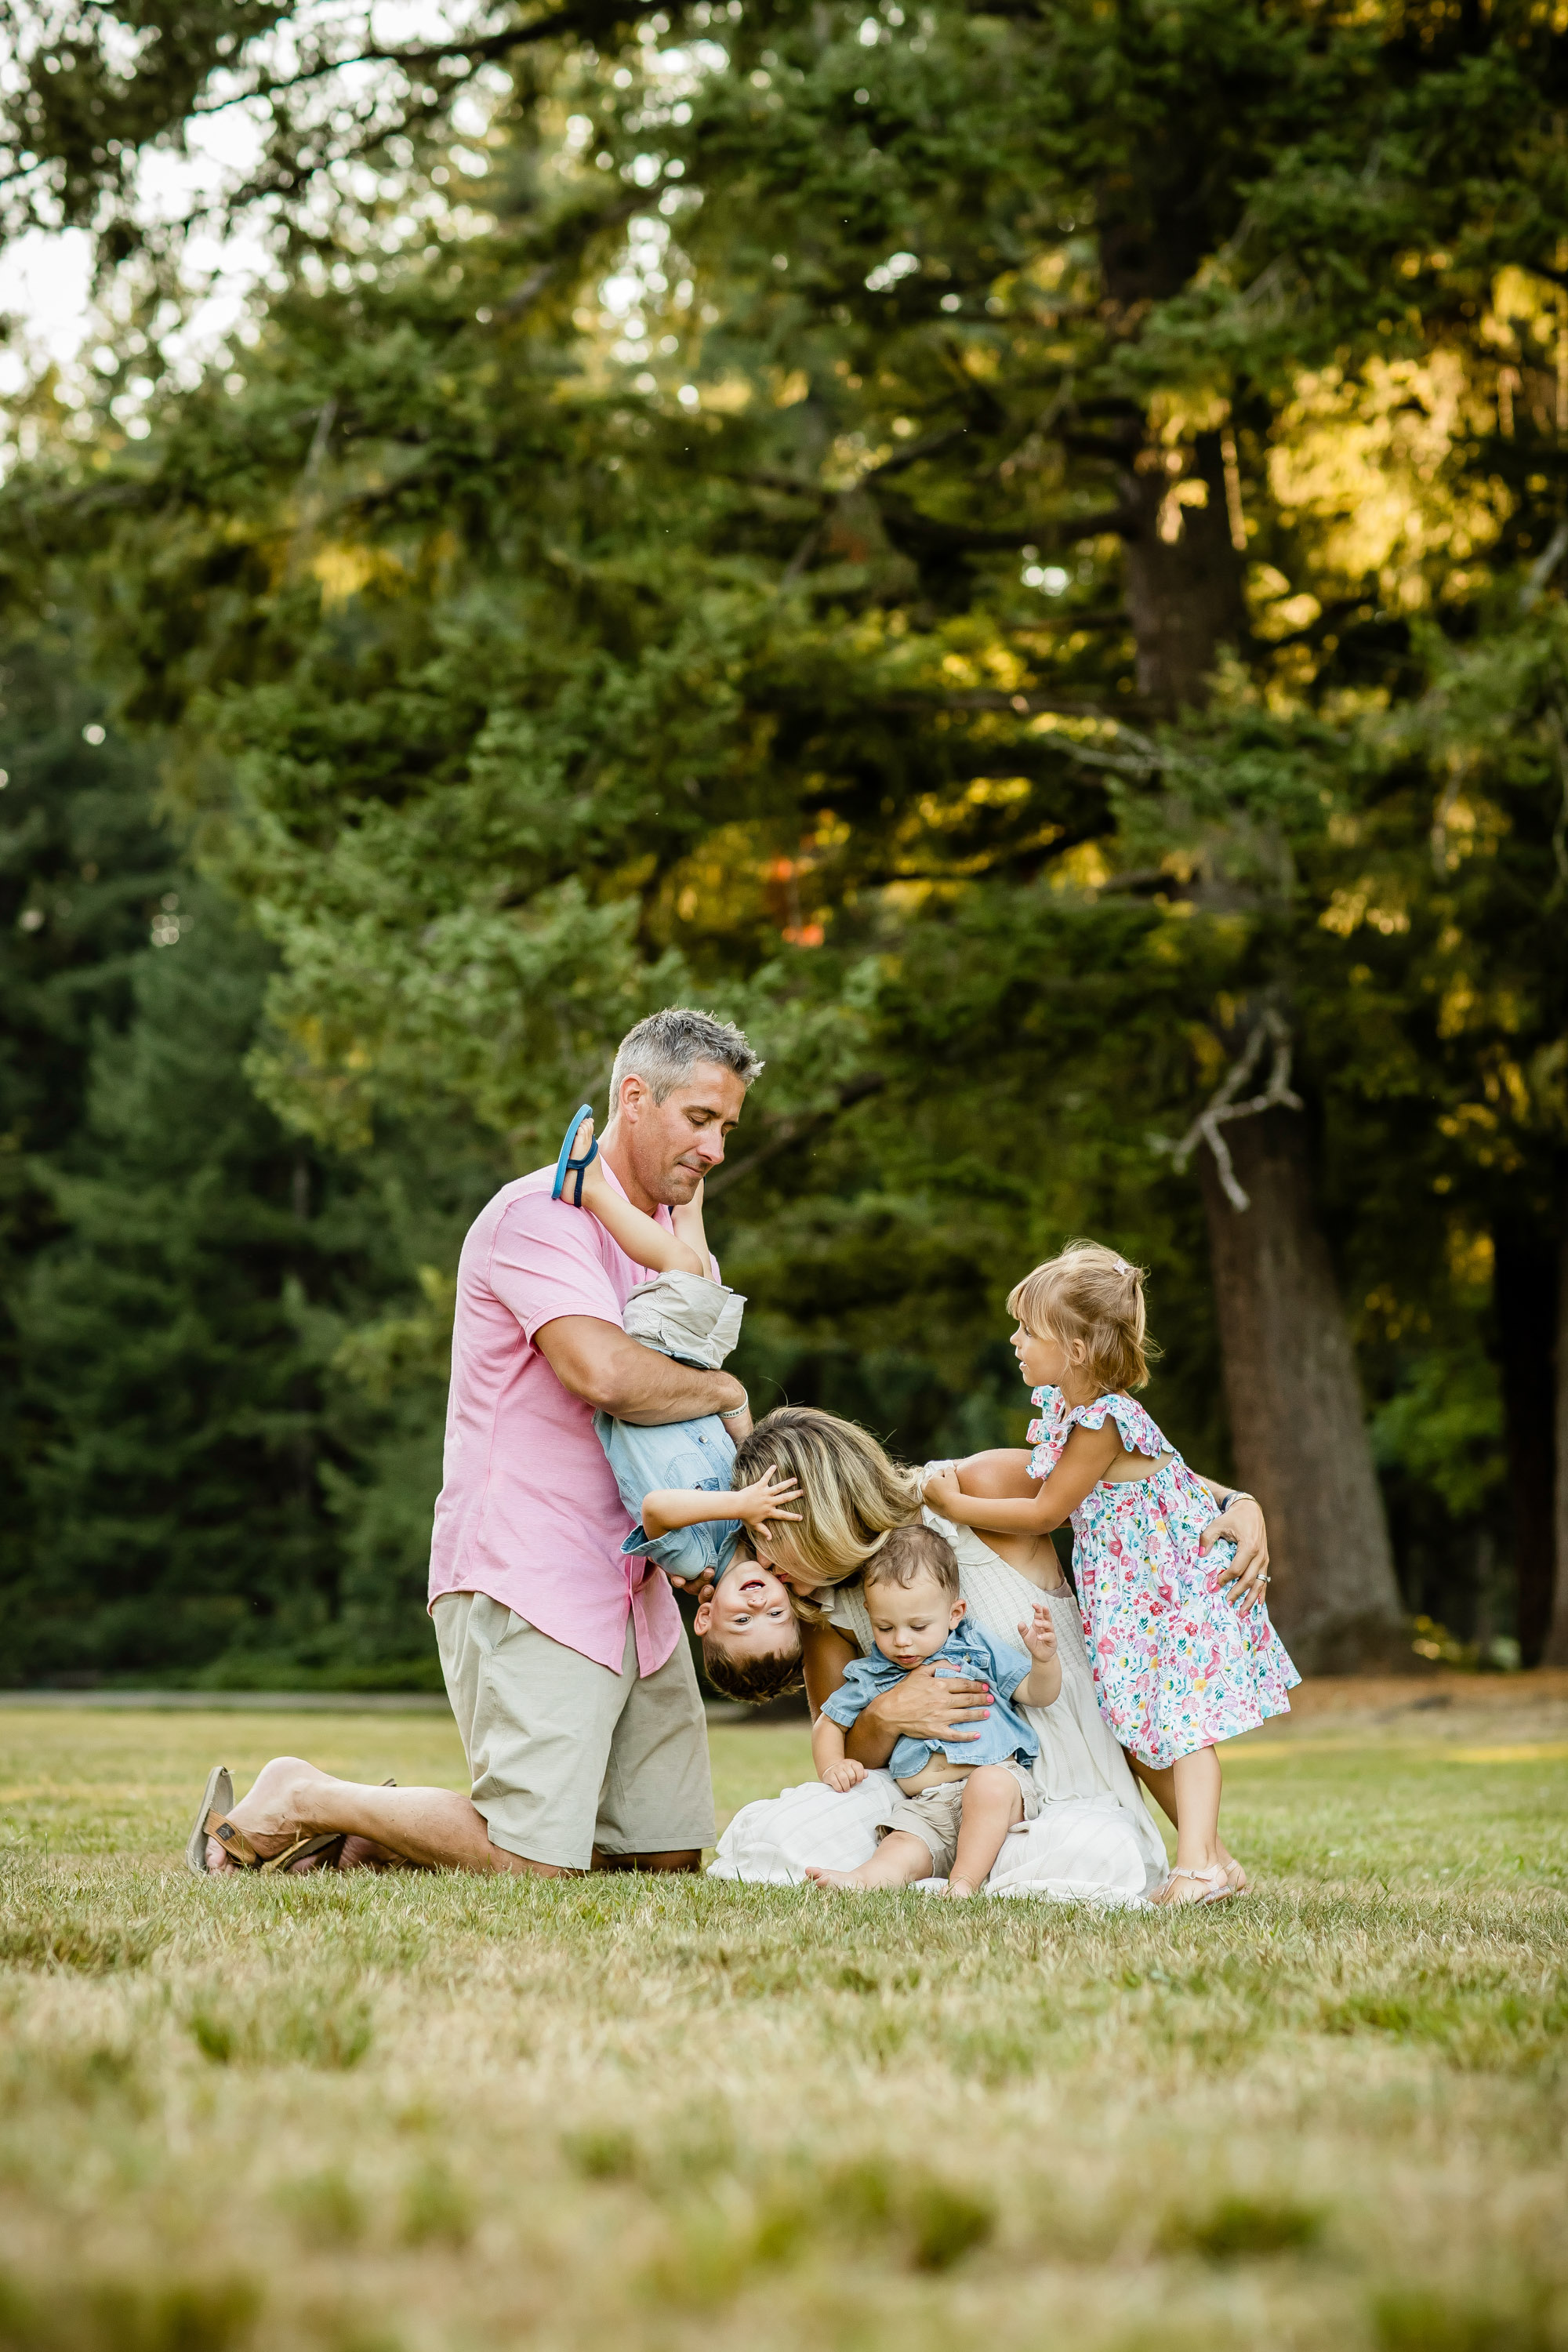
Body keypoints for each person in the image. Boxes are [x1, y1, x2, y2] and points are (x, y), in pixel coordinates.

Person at [190, 1007, 764, 1878]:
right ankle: (300, 1793)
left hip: (634, 1584)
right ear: (633, 1097)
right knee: (536, 1867)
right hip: (528, 1568)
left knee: (664, 1865)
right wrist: (725, 1391)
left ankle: (370, 1843)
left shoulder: (670, 1249)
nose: (716, 1147)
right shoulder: (537, 1216)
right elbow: (602, 1373)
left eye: (727, 1126)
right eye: (699, 1119)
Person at [710, 1437, 1272, 1903]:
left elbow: (1124, 1479)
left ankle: (963, 1877)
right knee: (778, 1838)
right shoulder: (822, 1607)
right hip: (925, 1807)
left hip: (1054, 1789)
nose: (761, 1559)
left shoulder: (973, 1490)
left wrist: (1235, 1502)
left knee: (1091, 1857)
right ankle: (929, 1871)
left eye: (767, 1532)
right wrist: (886, 1714)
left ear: (817, 1509)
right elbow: (849, 1767)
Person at [924, 1241, 1301, 1906]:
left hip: (1174, 1588)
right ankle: (1216, 1862)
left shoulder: (1102, 1420)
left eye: (1027, 1330)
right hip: (1140, 1594)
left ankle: (1198, 1870)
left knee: (1183, 1730)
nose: (1013, 1340)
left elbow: (1046, 1511)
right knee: (1149, 1730)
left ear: (1074, 1349)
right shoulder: (1072, 1416)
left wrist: (953, 1503)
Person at [547, 1101, 802, 1701]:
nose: (760, 1605)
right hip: (696, 1367)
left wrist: (742, 1503)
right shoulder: (756, 1543)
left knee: (684, 1264)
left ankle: (586, 1190)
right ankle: (684, 1191)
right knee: (699, 1260)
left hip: (655, 1368)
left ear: (706, 1619)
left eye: (743, 1620)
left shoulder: (693, 1560)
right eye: (778, 1614)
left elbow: (658, 1508)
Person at [803, 1525, 1061, 1897]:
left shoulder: (975, 1647)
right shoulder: (874, 1673)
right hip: (928, 1804)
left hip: (997, 1787)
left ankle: (963, 1884)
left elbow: (1037, 1693)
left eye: (918, 1626)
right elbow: (829, 1722)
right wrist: (832, 1766)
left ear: (954, 1613)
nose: (902, 1640)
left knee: (989, 1785)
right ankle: (861, 1880)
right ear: (869, 1614)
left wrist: (1044, 1660)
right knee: (900, 1842)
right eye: (884, 1627)